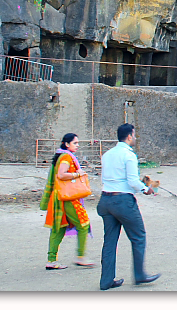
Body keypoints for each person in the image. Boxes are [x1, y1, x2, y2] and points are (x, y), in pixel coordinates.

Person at [97, 124, 160, 290]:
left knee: (109, 241)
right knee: (138, 236)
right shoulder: (129, 156)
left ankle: (106, 280)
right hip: (123, 201)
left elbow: (107, 178)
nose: (135, 138)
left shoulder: (107, 154)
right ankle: (139, 274)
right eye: (134, 135)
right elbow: (132, 181)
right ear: (130, 136)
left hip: (106, 199)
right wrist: (146, 189)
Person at [40, 133, 94, 270]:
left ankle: (51, 260)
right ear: (66, 144)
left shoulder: (61, 155)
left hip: (59, 196)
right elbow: (61, 174)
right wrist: (78, 174)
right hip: (68, 197)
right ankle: (80, 257)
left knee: (59, 227)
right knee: (83, 224)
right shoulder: (66, 157)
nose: (78, 145)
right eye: (75, 143)